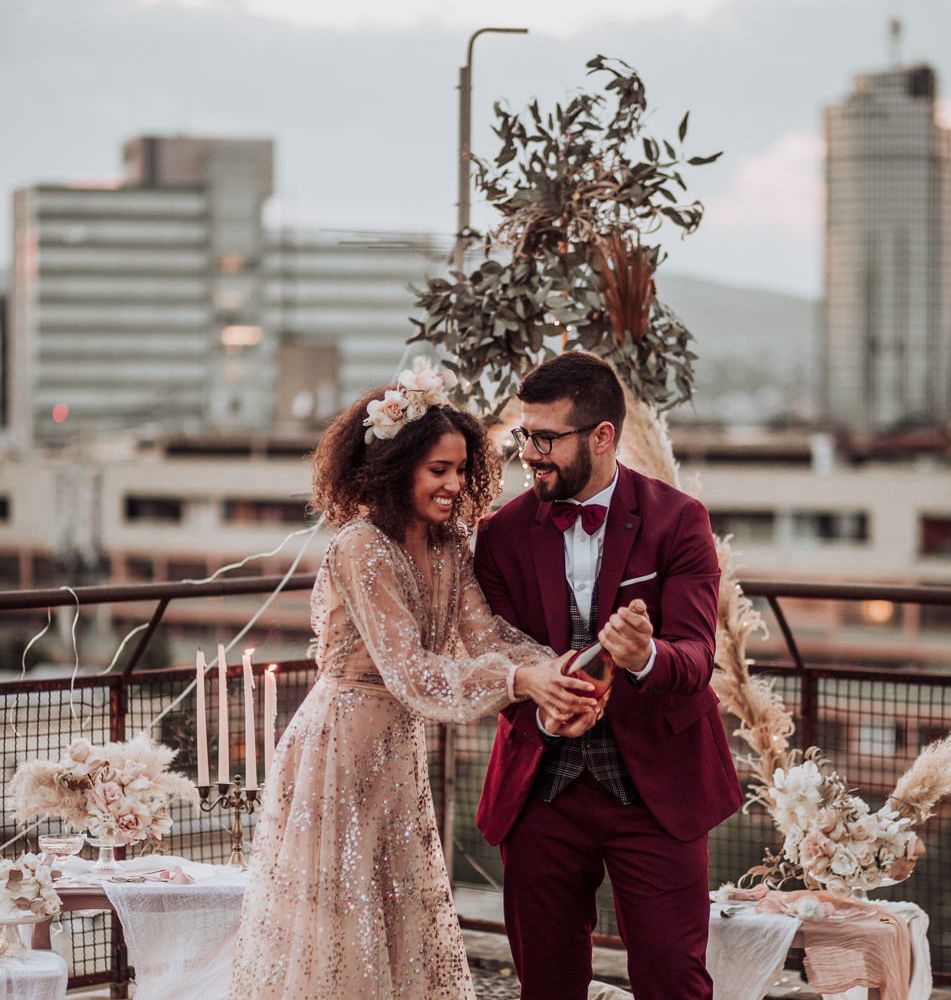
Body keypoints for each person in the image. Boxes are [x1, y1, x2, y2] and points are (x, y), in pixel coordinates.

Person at [230, 360, 597, 1000]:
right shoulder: (360, 547)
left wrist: (561, 669)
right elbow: (415, 674)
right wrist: (522, 682)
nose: (455, 484)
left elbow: (488, 640)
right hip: (340, 752)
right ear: (396, 468)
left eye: (461, 469)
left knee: (396, 916)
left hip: (397, 752)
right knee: (342, 927)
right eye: (439, 470)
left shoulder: (451, 546)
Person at [474, 352, 743, 1000]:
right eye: (523, 435)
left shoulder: (679, 520)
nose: (530, 453)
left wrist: (644, 655)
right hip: (542, 788)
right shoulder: (501, 535)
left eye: (546, 438)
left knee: (673, 979)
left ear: (602, 437)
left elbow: (695, 658)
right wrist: (540, 706)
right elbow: (497, 655)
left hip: (656, 792)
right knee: (545, 983)